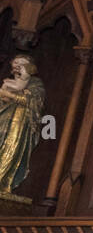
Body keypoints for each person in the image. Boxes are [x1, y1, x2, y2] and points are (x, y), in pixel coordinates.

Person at [0, 55, 46, 201]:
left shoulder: (36, 84)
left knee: (10, 149)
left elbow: (30, 101)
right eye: (16, 64)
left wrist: (7, 93)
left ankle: (3, 182)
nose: (18, 67)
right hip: (3, 120)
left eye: (22, 64)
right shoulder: (8, 82)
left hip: (20, 123)